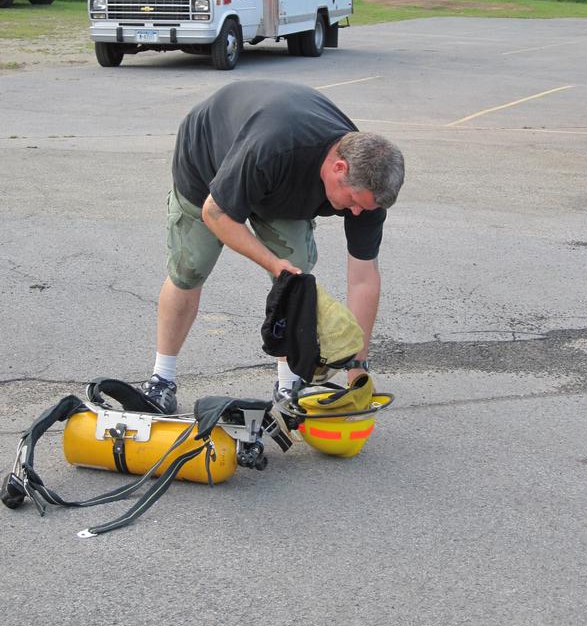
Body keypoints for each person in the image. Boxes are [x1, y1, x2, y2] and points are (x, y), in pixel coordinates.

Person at [141, 79, 405, 414]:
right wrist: (271, 262)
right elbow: (216, 213)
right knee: (189, 270)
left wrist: (358, 367)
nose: (355, 213)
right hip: (208, 165)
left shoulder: (369, 189)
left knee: (296, 280)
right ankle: (161, 380)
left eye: (363, 208)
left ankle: (288, 385)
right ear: (339, 169)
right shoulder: (273, 146)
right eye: (352, 202)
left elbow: (364, 277)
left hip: (281, 185)